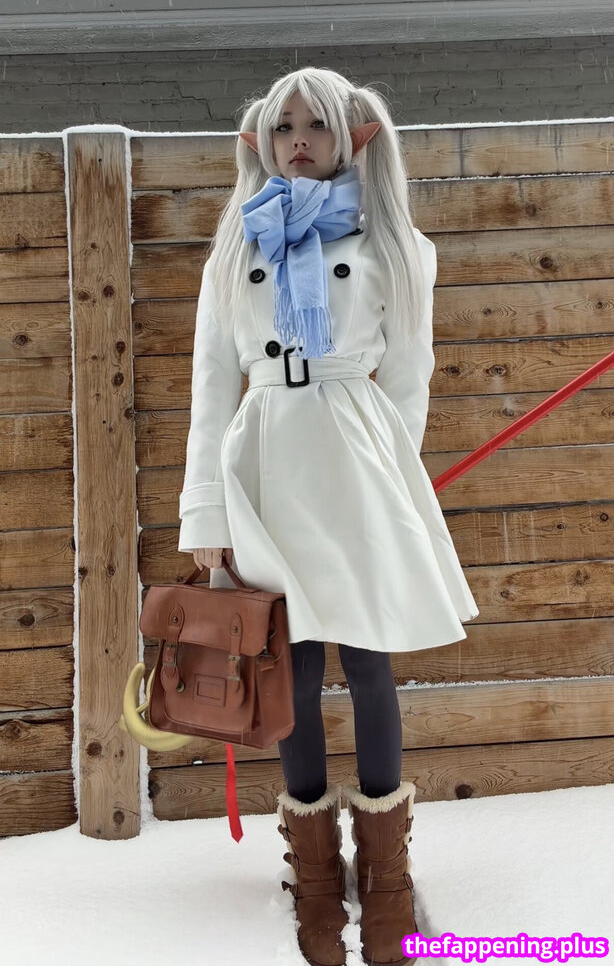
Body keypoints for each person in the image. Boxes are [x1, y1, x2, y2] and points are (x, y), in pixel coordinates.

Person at [177, 67, 480, 966]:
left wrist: (392, 473)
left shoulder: (395, 243)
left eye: (316, 124)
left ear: (354, 137)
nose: (299, 139)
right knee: (292, 670)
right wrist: (205, 510)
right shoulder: (236, 246)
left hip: (355, 461)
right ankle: (314, 877)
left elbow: (411, 375)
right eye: (283, 126)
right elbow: (210, 387)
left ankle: (386, 876)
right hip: (265, 463)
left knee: (371, 661)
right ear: (260, 141)